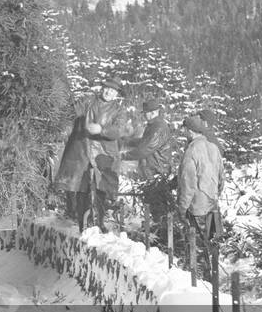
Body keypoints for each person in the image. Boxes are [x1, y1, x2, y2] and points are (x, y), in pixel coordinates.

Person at [55, 79, 133, 232]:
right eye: (107, 89)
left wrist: (101, 129)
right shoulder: (88, 101)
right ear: (102, 88)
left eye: (113, 91)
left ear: (117, 94)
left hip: (104, 153)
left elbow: (118, 130)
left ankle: (100, 222)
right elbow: (70, 112)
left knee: (102, 188)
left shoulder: (119, 110)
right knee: (80, 187)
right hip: (81, 151)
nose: (109, 92)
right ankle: (82, 224)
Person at [177, 116, 225, 281]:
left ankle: (200, 282)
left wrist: (183, 208)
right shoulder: (214, 148)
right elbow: (221, 178)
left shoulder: (191, 150)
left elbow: (187, 183)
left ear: (189, 131)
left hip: (197, 206)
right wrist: (214, 195)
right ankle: (215, 279)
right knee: (213, 243)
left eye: (185, 130)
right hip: (213, 203)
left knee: (197, 246)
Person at [123, 98, 174, 244]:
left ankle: (163, 238)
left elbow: (145, 149)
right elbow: (144, 142)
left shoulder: (158, 126)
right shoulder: (153, 126)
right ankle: (161, 234)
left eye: (152, 112)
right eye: (146, 113)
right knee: (154, 204)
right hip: (153, 169)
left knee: (158, 205)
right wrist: (128, 141)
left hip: (157, 170)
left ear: (158, 111)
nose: (149, 115)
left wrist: (123, 156)